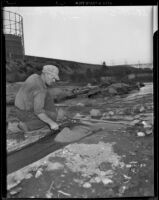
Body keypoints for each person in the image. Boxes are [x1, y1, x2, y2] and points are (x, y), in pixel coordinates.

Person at [14, 65, 66, 132]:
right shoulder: (40, 89)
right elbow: (38, 112)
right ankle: (27, 125)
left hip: (18, 109)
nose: (54, 80)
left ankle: (50, 114)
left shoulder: (34, 76)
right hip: (25, 114)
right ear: (46, 74)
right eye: (53, 77)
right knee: (52, 117)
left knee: (47, 95)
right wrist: (52, 123)